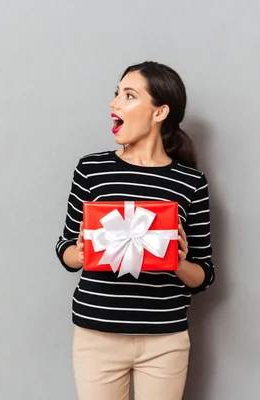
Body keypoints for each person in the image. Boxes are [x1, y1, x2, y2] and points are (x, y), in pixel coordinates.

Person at [55, 61, 215, 400]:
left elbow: (204, 275)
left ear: (159, 113)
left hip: (164, 340)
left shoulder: (190, 183)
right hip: (97, 335)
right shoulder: (91, 169)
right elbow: (66, 250)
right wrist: (81, 250)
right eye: (116, 94)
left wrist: (176, 262)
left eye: (129, 95)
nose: (115, 103)